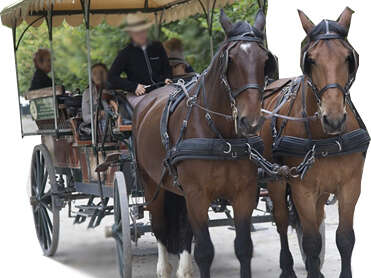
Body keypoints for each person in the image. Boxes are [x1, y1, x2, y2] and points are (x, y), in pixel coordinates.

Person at [108, 13, 172, 102]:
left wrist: (167, 78)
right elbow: (111, 77)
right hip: (139, 95)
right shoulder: (125, 53)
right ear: (131, 33)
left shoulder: (158, 47)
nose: (141, 34)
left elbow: (167, 67)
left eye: (143, 30)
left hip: (162, 89)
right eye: (137, 32)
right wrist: (134, 87)